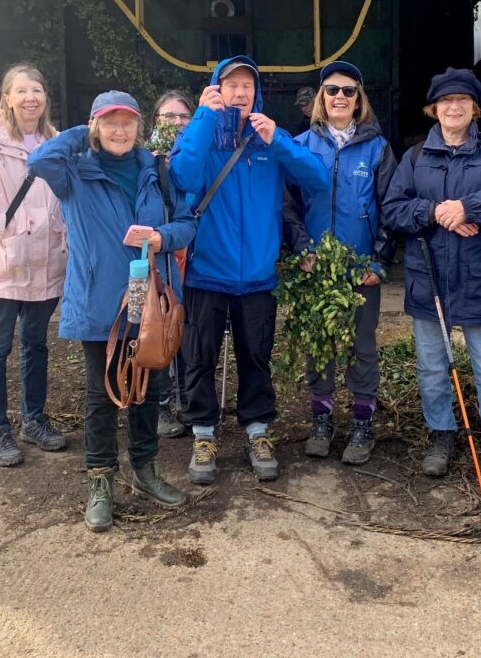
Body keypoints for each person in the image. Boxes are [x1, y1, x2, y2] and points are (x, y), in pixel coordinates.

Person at [28, 91, 195, 532]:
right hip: (100, 300)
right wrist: (84, 132)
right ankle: (101, 480)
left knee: (148, 389)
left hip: (151, 302)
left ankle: (144, 471)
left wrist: (162, 236)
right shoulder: (74, 172)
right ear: (95, 126)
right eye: (109, 122)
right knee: (100, 396)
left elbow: (187, 221)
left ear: (140, 126)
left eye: (127, 122)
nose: (119, 131)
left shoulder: (156, 170)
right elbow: (39, 159)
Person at [169, 56, 330, 485]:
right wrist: (204, 117)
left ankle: (257, 431)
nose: (238, 93)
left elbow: (317, 178)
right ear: (216, 89)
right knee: (199, 358)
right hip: (205, 272)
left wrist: (277, 139)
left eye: (246, 86)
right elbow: (182, 176)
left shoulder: (268, 140)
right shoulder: (201, 136)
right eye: (230, 85)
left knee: (256, 358)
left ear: (256, 92)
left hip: (258, 275)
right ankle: (204, 433)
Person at [383, 67, 481, 490]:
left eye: (462, 101)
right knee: (431, 367)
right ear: (434, 109)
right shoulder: (414, 157)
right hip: (428, 276)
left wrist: (472, 207)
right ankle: (441, 437)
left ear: (474, 108)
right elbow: (393, 209)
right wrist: (434, 213)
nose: (454, 107)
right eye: (445, 101)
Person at [284, 60, 397, 465]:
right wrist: (303, 251)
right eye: (332, 90)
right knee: (320, 347)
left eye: (349, 91)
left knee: (362, 347)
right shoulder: (299, 147)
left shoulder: (378, 149)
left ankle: (363, 423)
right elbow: (288, 208)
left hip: (360, 270)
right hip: (317, 268)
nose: (340, 97)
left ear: (359, 99)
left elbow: (392, 208)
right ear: (321, 97)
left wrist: (380, 261)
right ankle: (321, 420)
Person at [0, 63, 68, 467]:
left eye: (36, 90)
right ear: (7, 97)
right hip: (7, 262)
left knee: (36, 345)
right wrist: (1, 231)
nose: (29, 98)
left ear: (45, 97)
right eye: (20, 91)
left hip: (47, 262)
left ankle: (34, 420)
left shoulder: (55, 141)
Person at [148, 90, 197, 439]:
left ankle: (185, 398)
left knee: (187, 329)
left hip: (194, 252)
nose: (177, 123)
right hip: (162, 256)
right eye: (169, 117)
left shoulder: (198, 152)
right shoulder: (143, 160)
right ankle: (161, 403)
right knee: (160, 327)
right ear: (156, 122)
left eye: (183, 117)